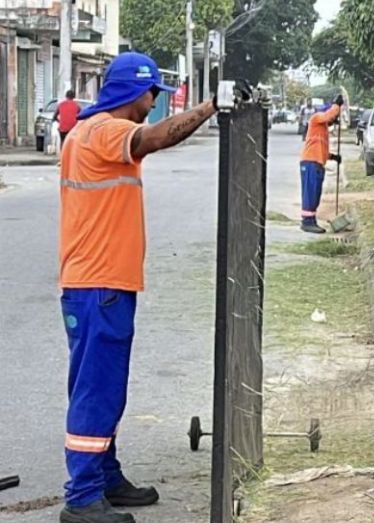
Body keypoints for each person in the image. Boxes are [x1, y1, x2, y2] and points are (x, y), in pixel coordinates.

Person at [58, 52, 219, 523]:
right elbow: (154, 137)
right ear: (136, 91)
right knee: (97, 389)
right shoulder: (105, 131)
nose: (155, 104)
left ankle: (105, 477)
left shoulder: (90, 132)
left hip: (97, 283)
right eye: (153, 95)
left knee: (101, 386)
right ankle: (83, 496)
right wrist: (209, 108)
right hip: (98, 284)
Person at [299, 95, 344, 234]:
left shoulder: (323, 129)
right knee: (310, 193)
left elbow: (320, 149)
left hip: (317, 163)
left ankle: (311, 220)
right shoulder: (316, 118)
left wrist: (332, 157)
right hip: (310, 162)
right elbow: (327, 116)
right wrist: (337, 105)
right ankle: (307, 222)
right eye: (331, 118)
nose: (332, 121)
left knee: (316, 194)